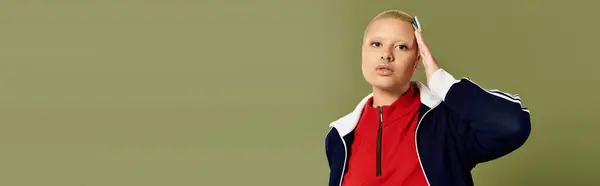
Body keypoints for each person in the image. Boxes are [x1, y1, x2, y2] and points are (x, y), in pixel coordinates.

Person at [324, 10, 531, 186]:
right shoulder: (339, 137)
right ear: (363, 53)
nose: (386, 55)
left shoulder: (447, 122)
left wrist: (442, 82)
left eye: (401, 47)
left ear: (417, 62)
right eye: (376, 44)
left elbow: (512, 125)